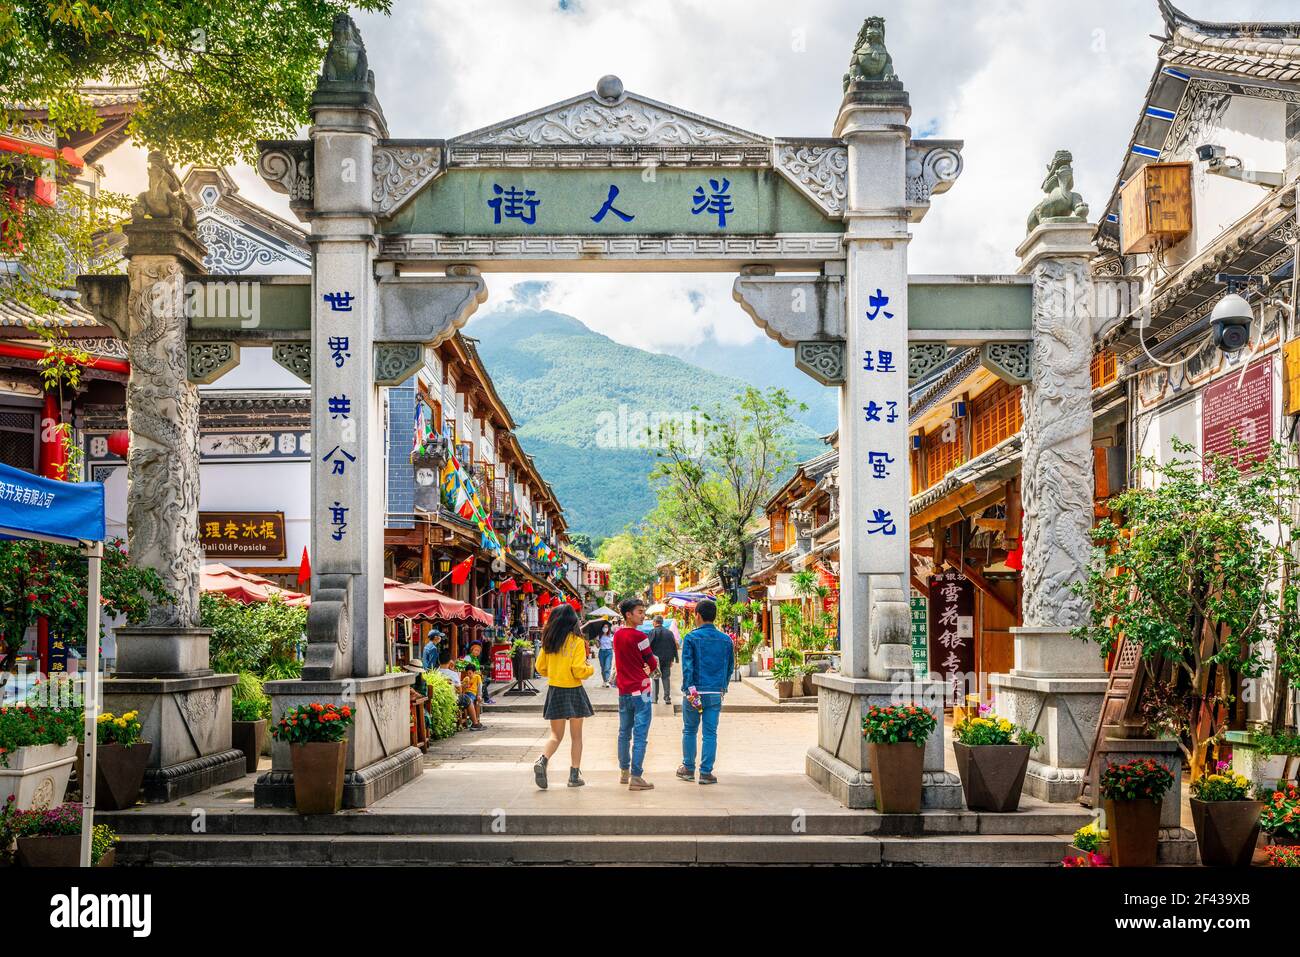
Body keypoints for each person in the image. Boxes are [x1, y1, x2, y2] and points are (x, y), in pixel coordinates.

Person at [532, 604, 595, 789]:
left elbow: (539, 667)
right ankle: (574, 777)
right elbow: (578, 670)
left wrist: (555, 670)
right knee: (576, 737)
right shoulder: (576, 641)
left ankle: (542, 760)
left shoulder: (549, 642)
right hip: (574, 691)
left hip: (555, 691)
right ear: (572, 621)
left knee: (555, 736)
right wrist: (590, 669)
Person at [676, 598, 734, 785]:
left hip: (694, 692)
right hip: (715, 693)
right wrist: (722, 686)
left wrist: (689, 689)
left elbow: (687, 667)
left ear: (698, 616)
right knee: (710, 733)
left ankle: (688, 768)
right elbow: (730, 667)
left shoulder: (691, 638)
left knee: (690, 730)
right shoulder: (726, 640)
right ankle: (706, 772)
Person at [613, 597, 658, 791]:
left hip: (624, 690)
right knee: (640, 735)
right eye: (639, 612)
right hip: (642, 691)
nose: (643, 615)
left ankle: (624, 772)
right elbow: (652, 662)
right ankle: (636, 776)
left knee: (624, 732)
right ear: (628, 615)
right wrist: (647, 666)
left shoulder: (617, 635)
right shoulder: (640, 637)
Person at [649, 615, 678, 705]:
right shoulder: (669, 633)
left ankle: (654, 699)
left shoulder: (652, 632)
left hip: (655, 661)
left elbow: (648, 646)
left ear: (655, 622)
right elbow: (674, 646)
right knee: (666, 678)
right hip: (667, 659)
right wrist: (674, 659)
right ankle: (667, 698)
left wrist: (646, 659)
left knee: (655, 678)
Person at [459, 656, 485, 730]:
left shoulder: (477, 677)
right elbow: (462, 687)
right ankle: (472, 720)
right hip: (466, 693)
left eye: (470, 673)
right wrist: (463, 684)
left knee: (472, 701)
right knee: (466, 699)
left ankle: (475, 719)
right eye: (467, 673)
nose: (468, 675)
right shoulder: (466, 678)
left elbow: (480, 686)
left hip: (473, 694)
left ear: (474, 672)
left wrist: (479, 695)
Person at [596, 621, 615, 687]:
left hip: (609, 652)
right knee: (603, 668)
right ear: (602, 628)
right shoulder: (599, 636)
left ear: (609, 628)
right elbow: (598, 646)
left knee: (607, 667)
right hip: (601, 652)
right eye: (604, 627)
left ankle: (607, 681)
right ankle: (604, 681)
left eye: (606, 627)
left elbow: (613, 646)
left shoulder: (611, 635)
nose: (605, 628)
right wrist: (596, 641)